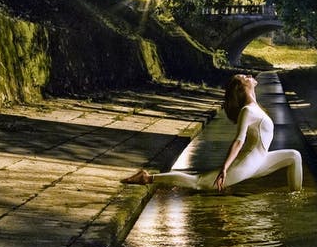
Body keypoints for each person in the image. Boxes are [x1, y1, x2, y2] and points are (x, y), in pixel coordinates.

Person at [122, 74, 303, 191]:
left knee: (294, 156)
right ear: (242, 87)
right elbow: (238, 141)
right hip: (248, 163)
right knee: (199, 182)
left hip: (261, 160)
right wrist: (225, 167)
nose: (249, 76)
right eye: (244, 77)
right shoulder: (247, 110)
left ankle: (296, 198)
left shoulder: (255, 107)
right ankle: (147, 177)